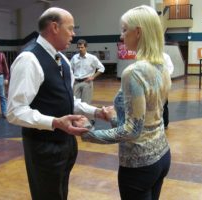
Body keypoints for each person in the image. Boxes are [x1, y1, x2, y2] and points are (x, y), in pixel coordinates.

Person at [6, 7, 105, 200]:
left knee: (60, 193)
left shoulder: (64, 61)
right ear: (54, 27)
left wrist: (97, 112)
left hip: (66, 144)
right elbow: (14, 111)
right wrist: (54, 122)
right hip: (43, 147)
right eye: (70, 28)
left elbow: (68, 100)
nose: (74, 34)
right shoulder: (29, 60)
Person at [79, 5, 172, 200]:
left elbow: (132, 131)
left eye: (124, 30)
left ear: (138, 32)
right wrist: (114, 118)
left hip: (139, 165)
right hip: (162, 155)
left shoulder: (134, 72)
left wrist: (88, 134)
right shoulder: (161, 66)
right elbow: (146, 121)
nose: (121, 36)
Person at [70, 39, 105, 104]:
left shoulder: (92, 58)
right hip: (76, 83)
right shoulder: (74, 57)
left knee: (86, 104)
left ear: (86, 47)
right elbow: (70, 69)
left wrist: (93, 77)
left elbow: (102, 68)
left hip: (87, 82)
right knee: (75, 103)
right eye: (79, 47)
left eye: (82, 47)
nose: (80, 49)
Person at [163, 52, 174, 129]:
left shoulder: (165, 56)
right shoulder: (145, 55)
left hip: (163, 83)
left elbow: (170, 68)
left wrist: (164, 76)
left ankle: (165, 123)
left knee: (164, 104)